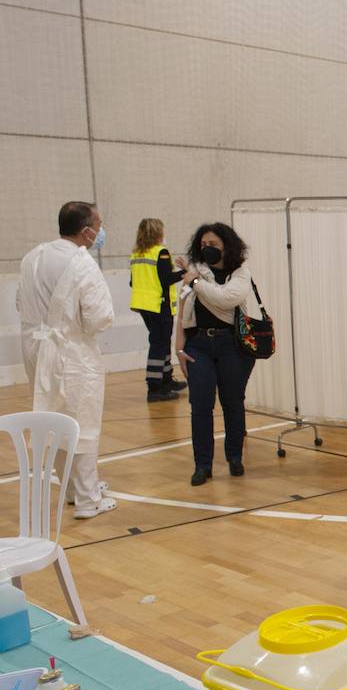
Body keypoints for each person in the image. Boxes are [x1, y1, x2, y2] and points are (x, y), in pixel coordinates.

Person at [17, 201, 118, 518]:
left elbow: (20, 302)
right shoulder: (82, 263)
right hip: (72, 352)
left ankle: (73, 490)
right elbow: (99, 317)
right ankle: (89, 500)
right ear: (87, 231)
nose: (100, 231)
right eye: (98, 225)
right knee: (82, 422)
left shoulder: (32, 257)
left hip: (36, 348)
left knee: (53, 422)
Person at [174, 223, 257, 487]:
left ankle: (234, 457)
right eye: (203, 245)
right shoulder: (195, 273)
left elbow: (226, 299)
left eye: (213, 245)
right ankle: (203, 465)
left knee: (233, 402)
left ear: (227, 246)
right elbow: (182, 312)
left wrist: (195, 281)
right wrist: (178, 349)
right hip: (198, 345)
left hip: (232, 344)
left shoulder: (239, 273)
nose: (207, 249)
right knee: (200, 405)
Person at [129, 218, 186, 401]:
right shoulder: (160, 253)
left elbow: (132, 282)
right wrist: (185, 273)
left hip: (143, 306)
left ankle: (167, 380)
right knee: (158, 345)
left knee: (161, 342)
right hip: (159, 305)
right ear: (157, 233)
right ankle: (154, 388)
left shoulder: (137, 254)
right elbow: (166, 279)